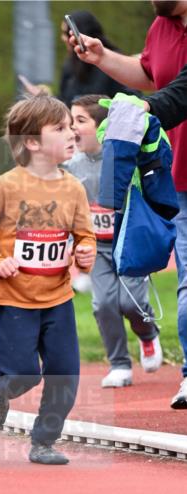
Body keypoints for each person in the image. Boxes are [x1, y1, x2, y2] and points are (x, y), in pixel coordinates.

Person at [68, 0, 187, 409]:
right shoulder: (161, 25)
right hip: (177, 175)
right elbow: (149, 74)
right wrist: (103, 57)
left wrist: (143, 107)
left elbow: (176, 93)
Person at [0, 95, 96, 466]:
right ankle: (1, 387)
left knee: (65, 376)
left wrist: (84, 255)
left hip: (58, 298)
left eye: (72, 127)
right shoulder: (8, 185)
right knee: (25, 376)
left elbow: (84, 235)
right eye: (60, 128)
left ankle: (44, 442)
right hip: (14, 300)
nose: (71, 133)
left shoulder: (73, 188)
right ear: (33, 143)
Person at [66, 95, 162, 387]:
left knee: (131, 303)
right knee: (104, 303)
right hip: (97, 247)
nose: (72, 129)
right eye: (70, 122)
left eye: (80, 121)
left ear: (102, 127)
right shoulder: (71, 166)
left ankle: (147, 334)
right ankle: (119, 364)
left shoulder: (122, 160)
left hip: (129, 243)